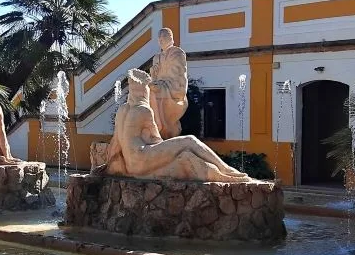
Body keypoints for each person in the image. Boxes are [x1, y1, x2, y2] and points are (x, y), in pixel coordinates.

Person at [104, 69, 249, 182]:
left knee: (185, 154)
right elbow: (157, 140)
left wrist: (103, 168)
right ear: (144, 90)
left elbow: (115, 144)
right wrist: (170, 148)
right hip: (142, 160)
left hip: (131, 165)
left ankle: (218, 171)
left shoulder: (122, 110)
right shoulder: (143, 110)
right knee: (189, 141)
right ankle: (226, 169)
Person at [148, 28, 189, 139]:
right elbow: (154, 78)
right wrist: (154, 72)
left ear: (170, 38)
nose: (161, 41)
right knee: (146, 90)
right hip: (161, 86)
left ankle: (160, 127)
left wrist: (161, 84)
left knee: (154, 92)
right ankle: (151, 127)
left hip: (173, 89)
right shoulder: (157, 57)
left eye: (163, 38)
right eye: (159, 39)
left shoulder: (177, 53)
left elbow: (177, 76)